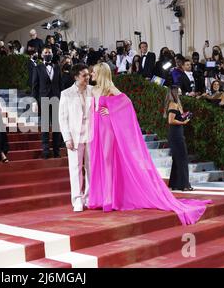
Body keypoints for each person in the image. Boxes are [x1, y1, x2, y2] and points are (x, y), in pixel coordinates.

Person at [87, 62, 212, 225]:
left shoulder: (110, 88)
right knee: (101, 161)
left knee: (107, 161)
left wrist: (111, 110)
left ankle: (109, 199)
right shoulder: (94, 89)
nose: (92, 75)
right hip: (97, 128)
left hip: (108, 128)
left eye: (94, 72)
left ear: (102, 73)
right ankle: (103, 196)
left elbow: (126, 103)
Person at [59, 64, 95, 212]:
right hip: (74, 136)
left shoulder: (93, 90)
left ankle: (89, 197)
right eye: (84, 75)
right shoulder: (66, 94)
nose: (87, 77)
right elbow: (62, 118)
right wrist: (67, 138)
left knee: (91, 168)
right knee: (75, 169)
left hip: (92, 135)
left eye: (88, 75)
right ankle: (77, 200)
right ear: (75, 77)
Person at [32, 46, 63, 159]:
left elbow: (61, 86)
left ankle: (56, 151)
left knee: (56, 128)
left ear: (52, 54)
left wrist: (62, 100)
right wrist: (34, 102)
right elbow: (34, 87)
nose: (47, 54)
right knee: (45, 128)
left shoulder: (57, 68)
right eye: (45, 52)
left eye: (49, 52)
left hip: (56, 100)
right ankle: (45, 151)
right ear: (42, 55)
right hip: (43, 100)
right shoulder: (37, 68)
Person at [165, 86, 194, 191]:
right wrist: (183, 122)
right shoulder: (173, 104)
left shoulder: (177, 104)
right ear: (174, 93)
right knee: (182, 158)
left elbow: (178, 117)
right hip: (175, 134)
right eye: (179, 92)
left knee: (177, 159)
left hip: (178, 132)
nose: (181, 93)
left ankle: (174, 184)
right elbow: (170, 120)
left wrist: (185, 116)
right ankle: (184, 185)